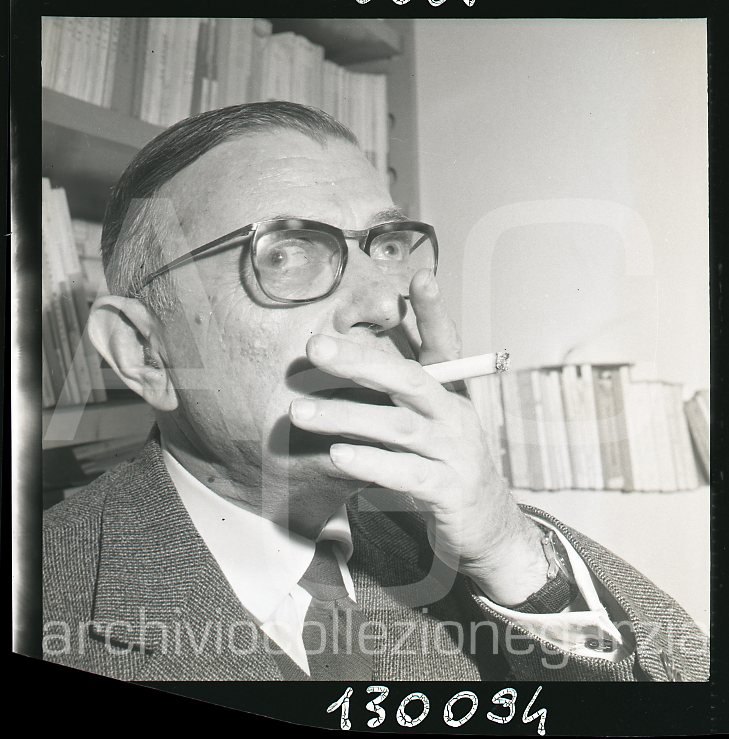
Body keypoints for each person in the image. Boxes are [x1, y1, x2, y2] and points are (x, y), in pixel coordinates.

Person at [42, 102, 707, 681]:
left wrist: (510, 555)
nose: (384, 306)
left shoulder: (483, 539)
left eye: (386, 248)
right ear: (144, 352)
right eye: (284, 254)